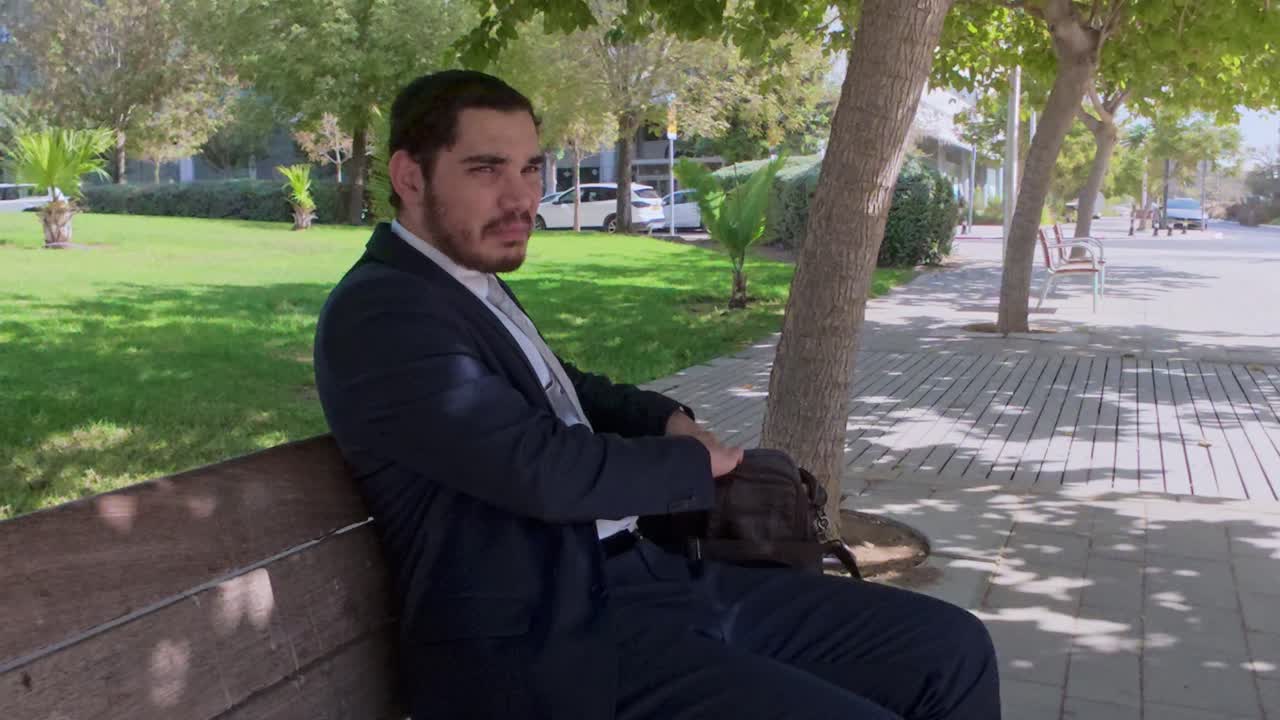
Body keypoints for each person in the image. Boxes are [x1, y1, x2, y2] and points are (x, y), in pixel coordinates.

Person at [313, 70, 1000, 720]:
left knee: (952, 649)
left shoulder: (462, 283)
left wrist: (667, 418)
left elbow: (563, 387)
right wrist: (696, 469)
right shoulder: (382, 314)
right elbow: (542, 469)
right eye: (487, 169)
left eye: (530, 169)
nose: (521, 197)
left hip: (651, 582)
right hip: (554, 639)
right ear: (410, 176)